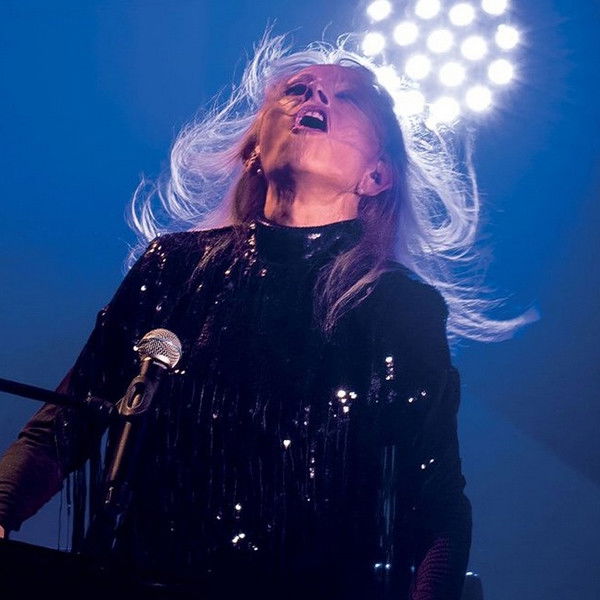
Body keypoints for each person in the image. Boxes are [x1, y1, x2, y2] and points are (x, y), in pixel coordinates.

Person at [0, 35, 535, 599]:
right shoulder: (172, 267)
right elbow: (64, 424)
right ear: (255, 147)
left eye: (347, 97)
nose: (315, 98)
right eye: (297, 90)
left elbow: (435, 503)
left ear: (377, 175)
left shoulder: (397, 308)